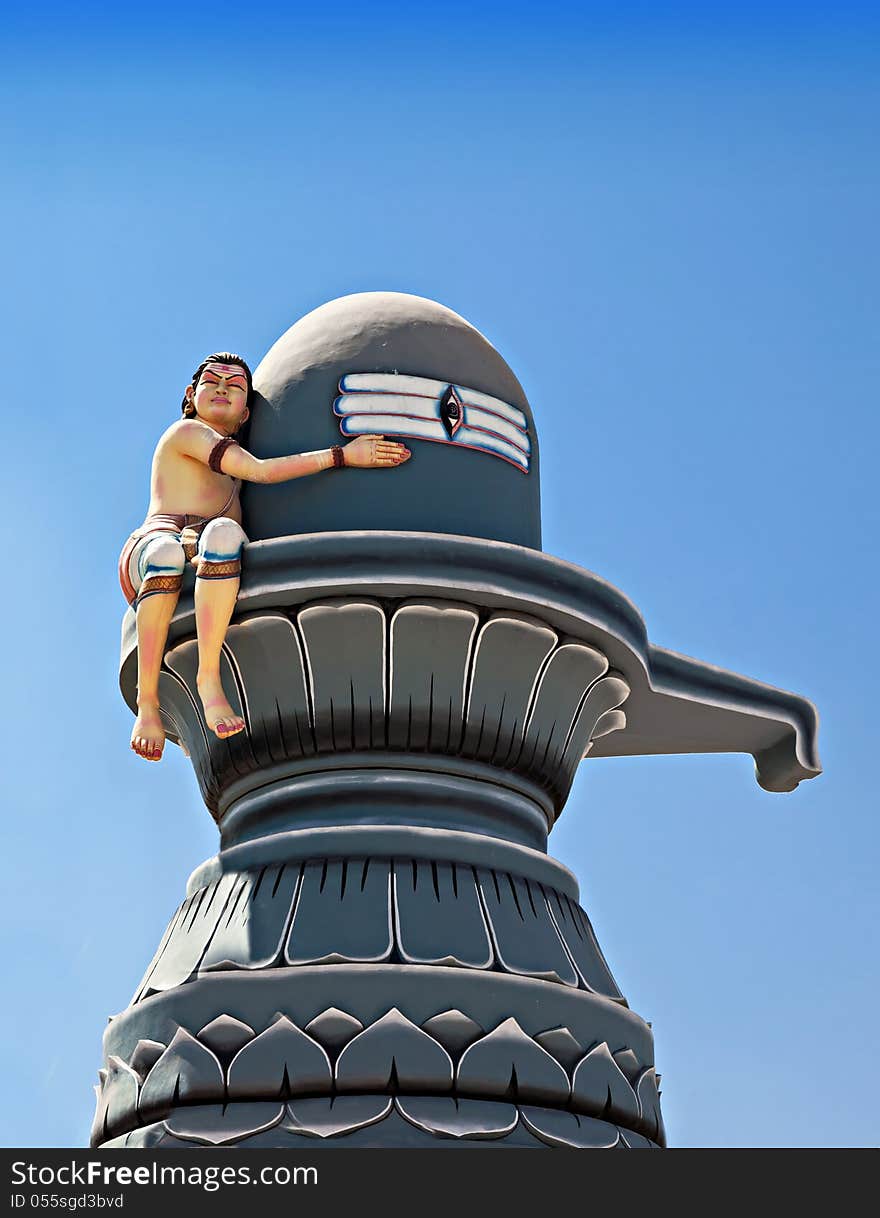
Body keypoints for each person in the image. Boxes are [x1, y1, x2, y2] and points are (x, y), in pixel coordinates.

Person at [119, 352, 411, 762]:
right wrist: (343, 455)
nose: (222, 388)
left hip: (207, 549)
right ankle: (147, 701)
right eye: (213, 382)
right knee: (167, 552)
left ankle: (208, 678)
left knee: (224, 533)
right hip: (156, 543)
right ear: (191, 394)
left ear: (246, 412)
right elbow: (263, 471)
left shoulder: (232, 463)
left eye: (235, 386)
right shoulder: (188, 433)